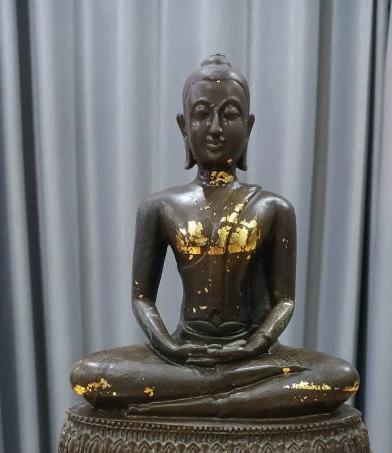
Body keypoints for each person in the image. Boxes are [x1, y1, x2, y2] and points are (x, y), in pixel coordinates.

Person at [71, 54, 358, 418]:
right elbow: (142, 298)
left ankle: (212, 401)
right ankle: (231, 396)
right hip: (184, 356)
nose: (215, 128)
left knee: (340, 378)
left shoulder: (273, 208)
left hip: (252, 357)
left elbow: (285, 300)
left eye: (230, 114)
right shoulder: (160, 207)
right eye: (202, 114)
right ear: (183, 125)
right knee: (89, 376)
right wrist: (170, 348)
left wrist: (254, 346)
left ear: (249, 126)